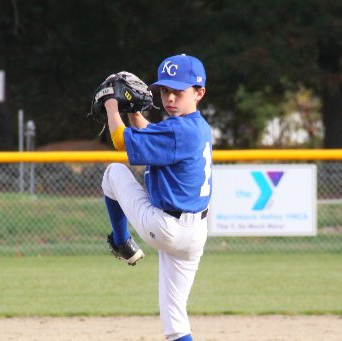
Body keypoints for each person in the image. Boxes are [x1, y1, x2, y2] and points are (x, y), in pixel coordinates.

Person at [101, 54, 212, 341]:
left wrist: (112, 105)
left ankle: (121, 241)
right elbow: (149, 133)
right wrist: (134, 111)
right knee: (176, 324)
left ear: (199, 93)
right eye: (164, 91)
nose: (170, 98)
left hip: (166, 227)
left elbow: (119, 141)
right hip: (194, 233)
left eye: (178, 91)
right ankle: (122, 242)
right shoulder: (194, 126)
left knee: (114, 172)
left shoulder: (178, 130)